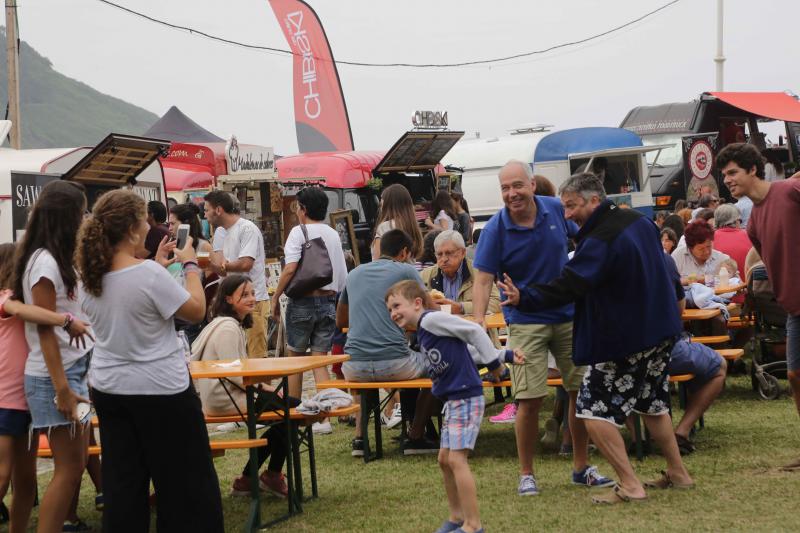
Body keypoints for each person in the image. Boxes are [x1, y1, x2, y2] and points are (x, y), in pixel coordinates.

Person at [498, 172, 694, 504]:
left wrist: (525, 298)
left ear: (594, 200)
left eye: (572, 206)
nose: (568, 214)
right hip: (662, 331)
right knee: (652, 403)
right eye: (564, 208)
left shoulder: (600, 239)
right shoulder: (640, 221)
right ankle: (678, 473)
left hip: (627, 338)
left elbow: (570, 285)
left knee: (591, 410)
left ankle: (631, 485)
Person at [76, 189, 223, 531]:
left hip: (111, 387)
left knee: (124, 484)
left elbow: (129, 301)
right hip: (161, 389)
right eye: (143, 220)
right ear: (131, 229)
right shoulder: (148, 276)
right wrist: (189, 265)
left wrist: (157, 266)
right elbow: (196, 309)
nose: (149, 227)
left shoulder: (91, 277)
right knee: (185, 486)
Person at [471, 160, 612, 497]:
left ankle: (580, 467)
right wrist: (478, 321)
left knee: (579, 393)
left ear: (532, 185)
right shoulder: (495, 229)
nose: (511, 193)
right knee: (529, 400)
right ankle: (526, 474)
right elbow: (483, 279)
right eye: (505, 188)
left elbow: (588, 234)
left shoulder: (554, 209)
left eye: (517, 185)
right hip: (525, 321)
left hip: (568, 315)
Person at [385, 280, 523, 533]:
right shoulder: (424, 331)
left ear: (417, 303)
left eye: (396, 305)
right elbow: (466, 351)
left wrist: (495, 365)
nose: (393, 313)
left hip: (466, 396)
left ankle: (473, 524)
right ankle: (456, 516)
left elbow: (475, 331)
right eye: (389, 310)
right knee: (444, 459)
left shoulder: (430, 320)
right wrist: (505, 355)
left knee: (457, 460)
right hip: (453, 399)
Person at [11, 180, 95, 533]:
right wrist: (62, 387)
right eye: (82, 212)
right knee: (67, 469)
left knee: (74, 466)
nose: (85, 217)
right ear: (67, 216)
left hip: (71, 369)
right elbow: (45, 330)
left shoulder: (56, 258)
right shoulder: (44, 263)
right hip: (55, 376)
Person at [718, 142, 800, 470]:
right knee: (794, 375)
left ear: (753, 169)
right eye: (724, 175)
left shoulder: (790, 190)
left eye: (733, 172)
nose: (727, 180)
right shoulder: (752, 224)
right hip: (794, 308)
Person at [337, 229, 439, 455]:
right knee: (439, 367)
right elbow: (433, 311)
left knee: (366, 378)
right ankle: (416, 435)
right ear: (404, 252)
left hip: (353, 366)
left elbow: (341, 320)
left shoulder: (354, 273)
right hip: (395, 364)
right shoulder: (405, 270)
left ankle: (360, 439)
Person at [191, 274, 292, 497]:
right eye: (244, 295)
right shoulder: (228, 328)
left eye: (253, 293)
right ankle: (265, 476)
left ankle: (254, 477)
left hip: (225, 396)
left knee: (292, 410)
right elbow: (236, 375)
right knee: (293, 410)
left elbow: (237, 374)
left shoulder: (226, 324)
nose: (251, 298)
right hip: (226, 400)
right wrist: (266, 388)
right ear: (228, 299)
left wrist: (264, 388)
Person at [271, 188, 348, 425]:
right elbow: (343, 275)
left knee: (296, 360)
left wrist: (276, 297)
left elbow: (290, 268)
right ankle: (322, 418)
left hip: (303, 301)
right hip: (328, 302)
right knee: (318, 359)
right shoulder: (333, 234)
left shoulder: (298, 232)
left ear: (302, 209)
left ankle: (296, 414)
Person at [204, 190, 270, 358]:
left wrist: (223, 266)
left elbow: (246, 264)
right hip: (230, 302)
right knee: (234, 354)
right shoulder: (220, 232)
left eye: (206, 210)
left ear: (218, 210)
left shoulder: (247, 228)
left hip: (252, 300)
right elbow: (222, 268)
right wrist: (207, 265)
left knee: (257, 356)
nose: (204, 215)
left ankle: (261, 385)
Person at [371, 184, 424, 262]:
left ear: (389, 203)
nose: (380, 202)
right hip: (409, 272)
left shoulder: (384, 227)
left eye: (382, 198)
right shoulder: (412, 227)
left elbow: (378, 261)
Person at [671, 220, 731, 285]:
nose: (707, 251)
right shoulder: (678, 256)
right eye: (701, 249)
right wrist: (690, 280)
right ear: (690, 248)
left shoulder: (722, 259)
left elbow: (736, 282)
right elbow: (669, 282)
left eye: (709, 246)